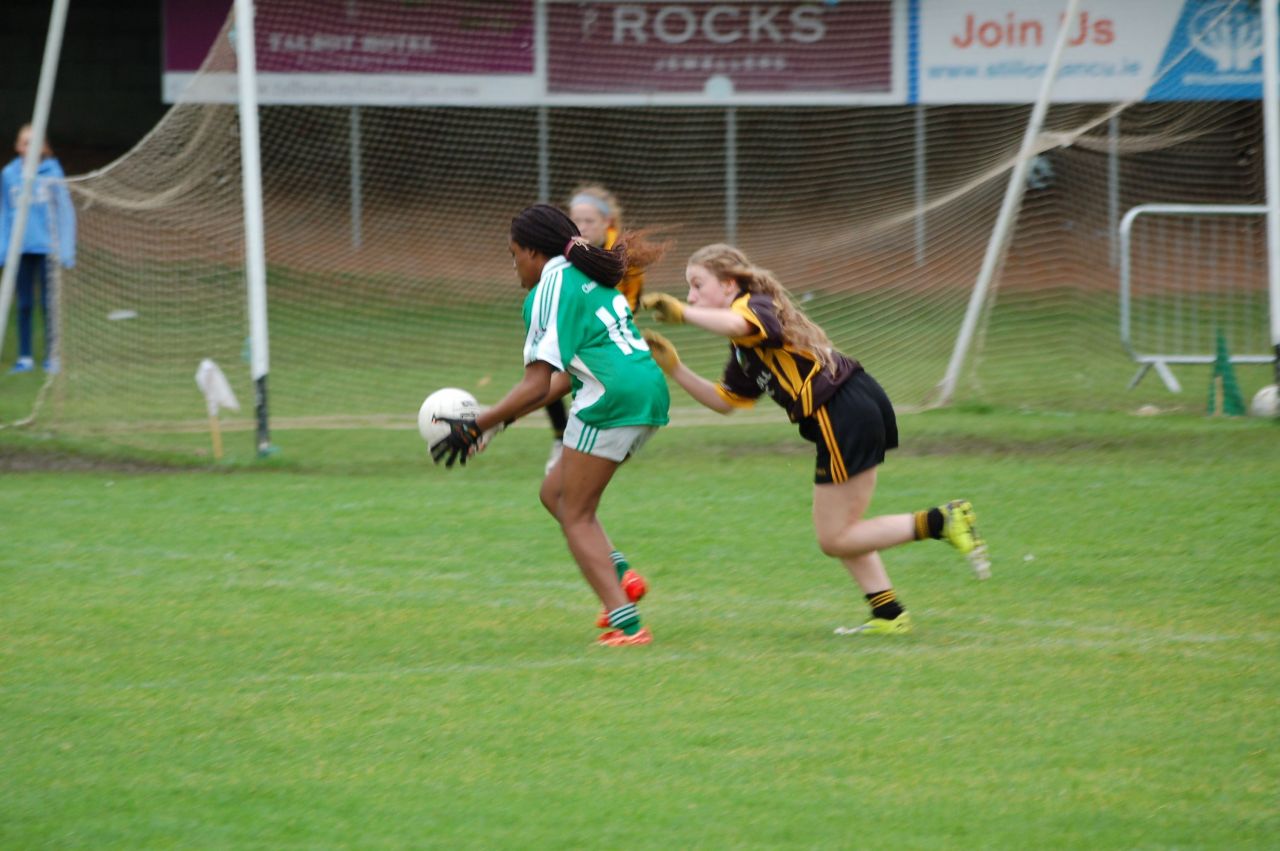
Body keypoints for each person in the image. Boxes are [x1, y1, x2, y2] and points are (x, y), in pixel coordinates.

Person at [639, 243, 989, 636]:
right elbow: (725, 402)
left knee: (835, 537)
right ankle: (889, 615)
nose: (690, 296)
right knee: (845, 529)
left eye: (698, 285)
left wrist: (685, 315)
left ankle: (942, 520)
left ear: (729, 284)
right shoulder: (743, 349)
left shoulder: (755, 305)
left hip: (841, 410)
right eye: (688, 290)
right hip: (853, 404)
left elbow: (746, 325)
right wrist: (676, 367)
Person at [431, 203, 669, 647]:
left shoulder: (548, 288)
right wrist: (496, 425)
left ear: (533, 253)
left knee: (575, 514)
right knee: (554, 493)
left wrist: (476, 425)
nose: (514, 265)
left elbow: (535, 383)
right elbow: (561, 380)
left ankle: (627, 623)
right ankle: (621, 574)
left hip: (613, 398)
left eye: (513, 254)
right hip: (643, 390)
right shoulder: (583, 278)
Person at [539, 185, 646, 474]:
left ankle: (595, 440)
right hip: (581, 328)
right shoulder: (569, 253)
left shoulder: (624, 253)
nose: (582, 228)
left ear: (608, 222)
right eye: (577, 221)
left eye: (589, 222)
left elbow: (630, 303)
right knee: (543, 366)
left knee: (565, 380)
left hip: (611, 332)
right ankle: (562, 437)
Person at [1, 124, 76, 374]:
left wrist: (66, 250)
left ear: (43, 147)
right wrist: (4, 249)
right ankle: (24, 357)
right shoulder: (9, 175)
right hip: (20, 251)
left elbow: (65, 211)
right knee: (23, 304)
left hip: (47, 249)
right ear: (17, 146)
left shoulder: (53, 173)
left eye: (35, 142)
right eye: (25, 142)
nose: (29, 147)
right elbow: (4, 214)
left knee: (48, 303)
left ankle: (52, 356)